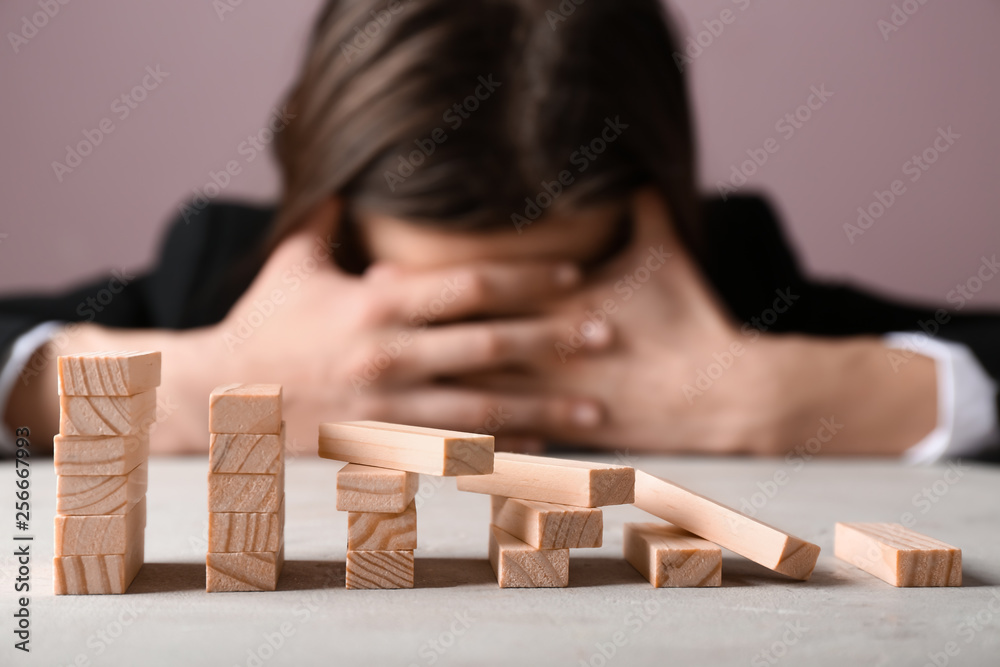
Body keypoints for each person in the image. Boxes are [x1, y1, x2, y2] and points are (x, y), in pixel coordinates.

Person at [2, 0, 998, 460]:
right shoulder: (216, 272)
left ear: (660, 220)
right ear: (324, 217)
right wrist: (194, 390)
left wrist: (837, 397)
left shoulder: (737, 281)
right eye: (416, 306)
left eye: (563, 286)